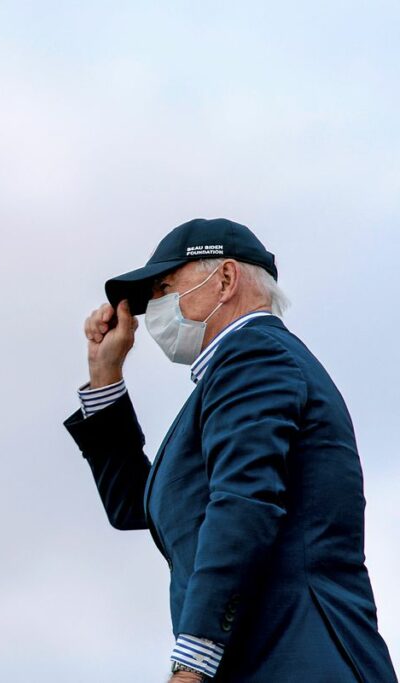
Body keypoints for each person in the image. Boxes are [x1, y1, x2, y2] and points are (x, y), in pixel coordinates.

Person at [62, 218, 397, 682]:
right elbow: (135, 506)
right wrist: (105, 377)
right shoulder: (232, 373)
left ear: (224, 279)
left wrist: (192, 663)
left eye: (164, 288)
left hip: (300, 660)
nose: (154, 310)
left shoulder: (254, 355)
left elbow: (243, 503)